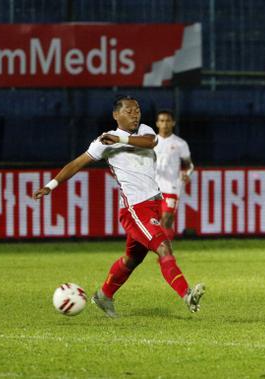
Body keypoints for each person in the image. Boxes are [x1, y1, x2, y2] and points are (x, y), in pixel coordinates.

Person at [33, 95, 204, 318]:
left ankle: (104, 295)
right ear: (116, 114)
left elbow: (151, 142)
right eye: (129, 111)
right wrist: (51, 185)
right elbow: (76, 163)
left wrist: (120, 139)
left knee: (132, 260)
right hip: (135, 209)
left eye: (138, 110)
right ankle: (187, 294)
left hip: (152, 204)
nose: (135, 114)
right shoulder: (103, 142)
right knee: (163, 247)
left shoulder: (143, 130)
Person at [153, 109, 194, 240]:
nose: (165, 124)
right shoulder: (149, 143)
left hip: (172, 187)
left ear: (173, 123)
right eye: (162, 121)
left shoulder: (180, 143)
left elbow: (189, 165)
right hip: (152, 189)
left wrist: (187, 173)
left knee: (167, 220)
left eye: (168, 121)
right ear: (157, 123)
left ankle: (165, 256)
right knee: (152, 223)